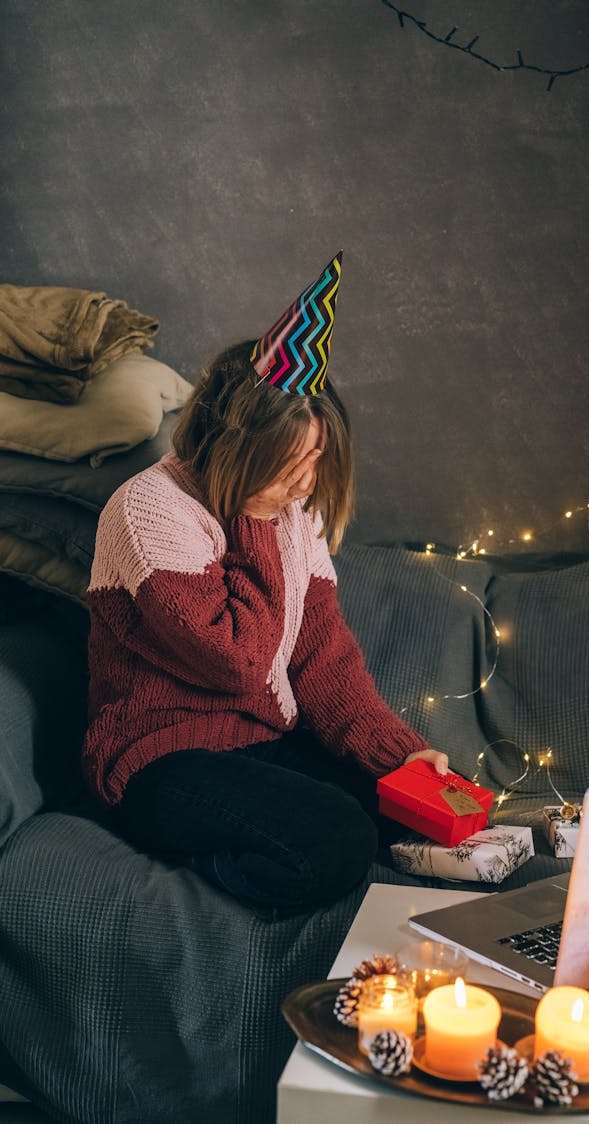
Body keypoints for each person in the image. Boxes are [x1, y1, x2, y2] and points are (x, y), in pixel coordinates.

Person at [83, 253, 448, 917]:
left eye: (317, 462)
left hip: (258, 743)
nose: (306, 485)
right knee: (335, 842)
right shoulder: (150, 509)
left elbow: (321, 656)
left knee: (398, 809)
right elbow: (238, 664)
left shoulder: (289, 512)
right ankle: (204, 871)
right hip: (161, 756)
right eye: (290, 465)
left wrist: (402, 756)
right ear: (235, 447)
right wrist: (251, 519)